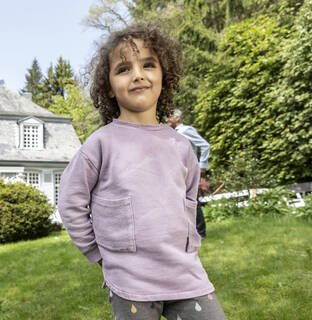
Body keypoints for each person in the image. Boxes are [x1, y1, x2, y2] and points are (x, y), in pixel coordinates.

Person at [58, 24, 226, 319]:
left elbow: (188, 204)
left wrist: (192, 246)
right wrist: (98, 255)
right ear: (108, 86)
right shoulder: (100, 144)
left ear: (164, 75)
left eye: (149, 64)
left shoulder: (180, 146)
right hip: (129, 281)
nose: (138, 74)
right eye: (123, 69)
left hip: (186, 275)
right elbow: (71, 203)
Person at [167, 109, 210, 239]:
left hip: (190, 170)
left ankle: (200, 232)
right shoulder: (173, 133)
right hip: (179, 171)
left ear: (176, 118)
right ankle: (188, 232)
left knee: (191, 201)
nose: (166, 120)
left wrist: (202, 166)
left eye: (169, 117)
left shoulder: (186, 130)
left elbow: (205, 145)